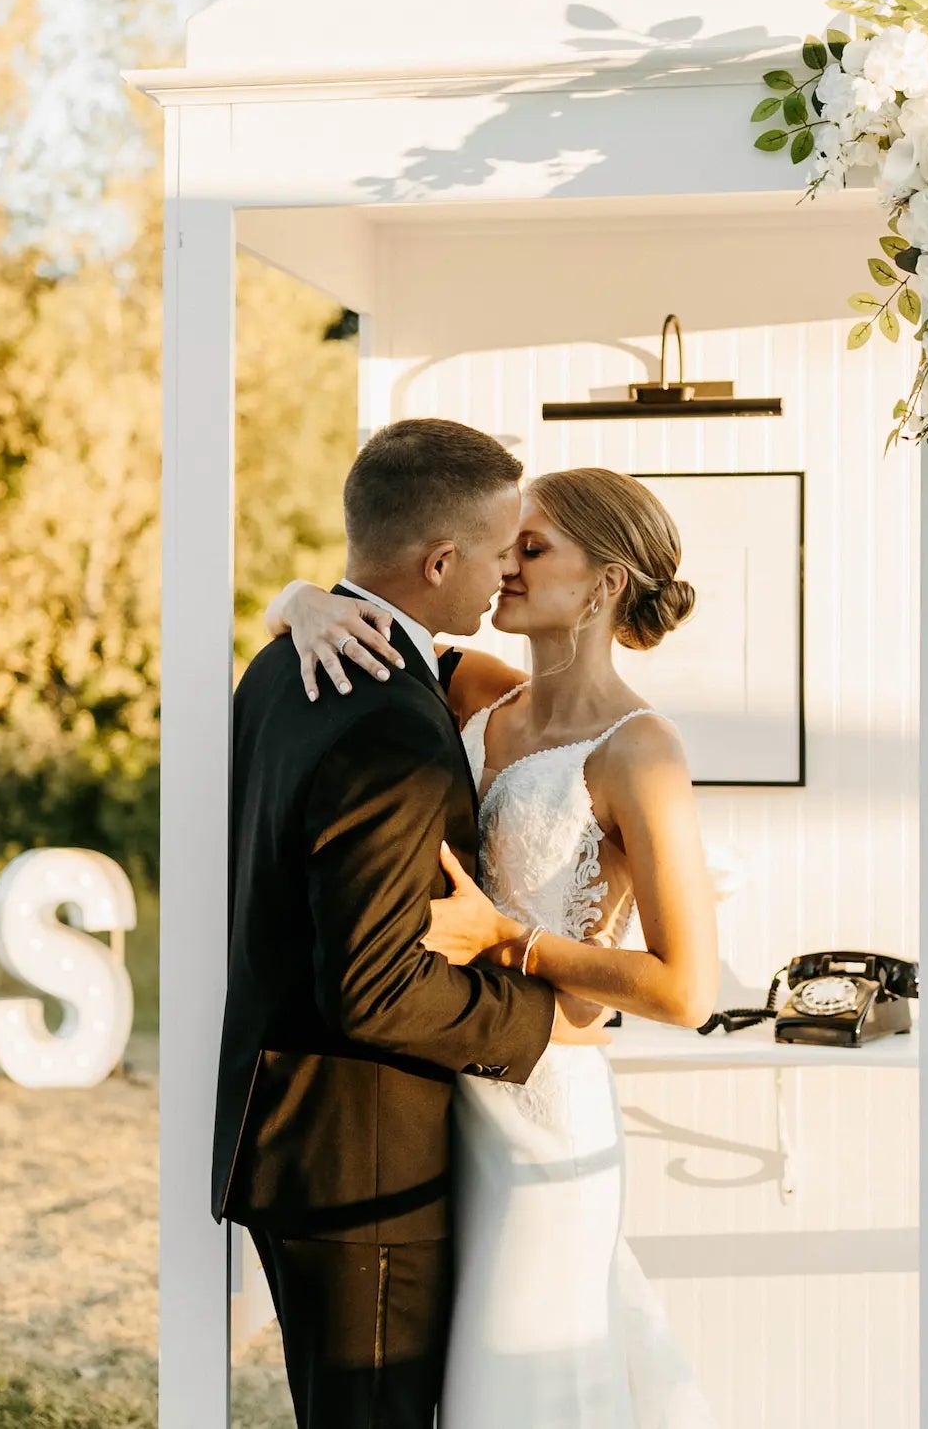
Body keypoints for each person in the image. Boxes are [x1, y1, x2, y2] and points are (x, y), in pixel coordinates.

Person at [270, 463, 722, 1426]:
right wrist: (300, 601)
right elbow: (373, 620)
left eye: (532, 547)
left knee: (515, 1389)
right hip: (437, 1091)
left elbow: (687, 991)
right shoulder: (481, 697)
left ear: (604, 584)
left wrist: (514, 941)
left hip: (546, 1106)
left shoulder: (644, 749)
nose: (503, 566)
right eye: (504, 545)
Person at [215, 418, 610, 1429]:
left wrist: (296, 600)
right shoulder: (382, 701)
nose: (502, 576)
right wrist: (540, 1021)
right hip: (361, 1156)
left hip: (299, 1131)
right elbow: (375, 985)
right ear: (440, 560)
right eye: (495, 551)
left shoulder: (284, 664)